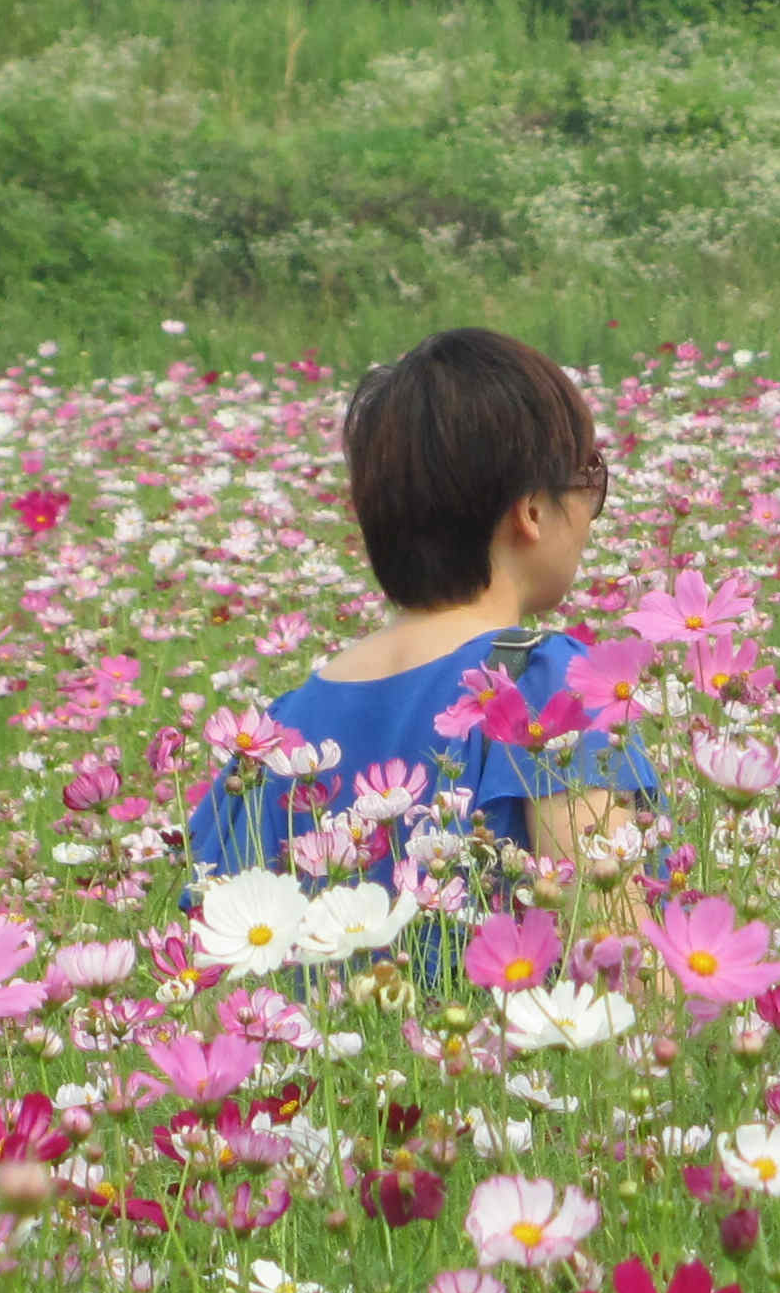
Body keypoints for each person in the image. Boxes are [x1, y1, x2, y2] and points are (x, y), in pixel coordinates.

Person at [188, 327, 663, 921]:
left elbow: (215, 967)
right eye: (589, 477)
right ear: (533, 511)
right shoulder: (544, 684)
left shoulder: (276, 729)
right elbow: (614, 949)